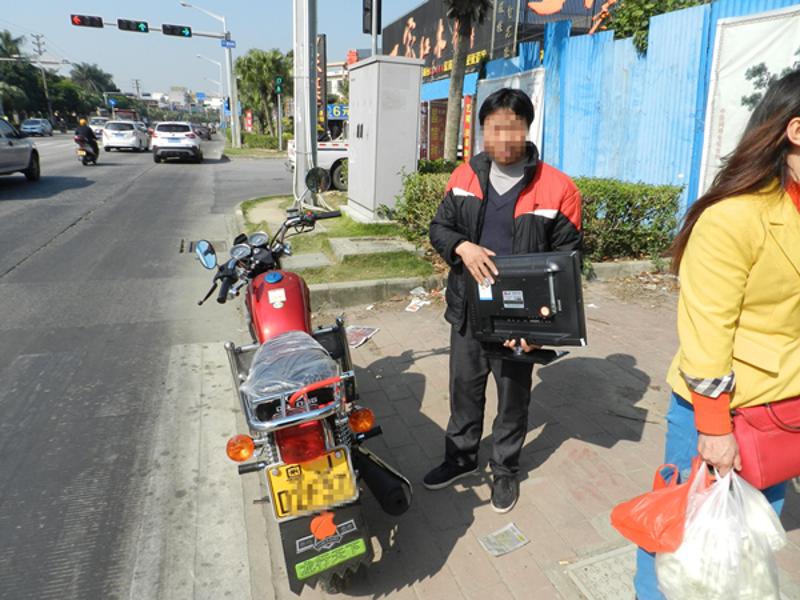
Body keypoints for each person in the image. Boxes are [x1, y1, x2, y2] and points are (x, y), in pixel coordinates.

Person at [633, 70, 800, 599]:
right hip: (726, 414)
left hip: (786, 408)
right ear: (796, 130)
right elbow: (707, 330)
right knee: (683, 532)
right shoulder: (734, 218)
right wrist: (713, 427)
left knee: (745, 533)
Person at [424, 88, 582, 513]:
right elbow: (439, 228)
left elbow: (566, 262)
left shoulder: (558, 187)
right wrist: (462, 247)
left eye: (514, 128)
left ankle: (505, 470)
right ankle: (459, 459)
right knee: (464, 389)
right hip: (470, 308)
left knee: (513, 396)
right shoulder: (465, 177)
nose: (504, 138)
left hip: (520, 316)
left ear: (527, 130)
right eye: (495, 128)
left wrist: (540, 328)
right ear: (483, 132)